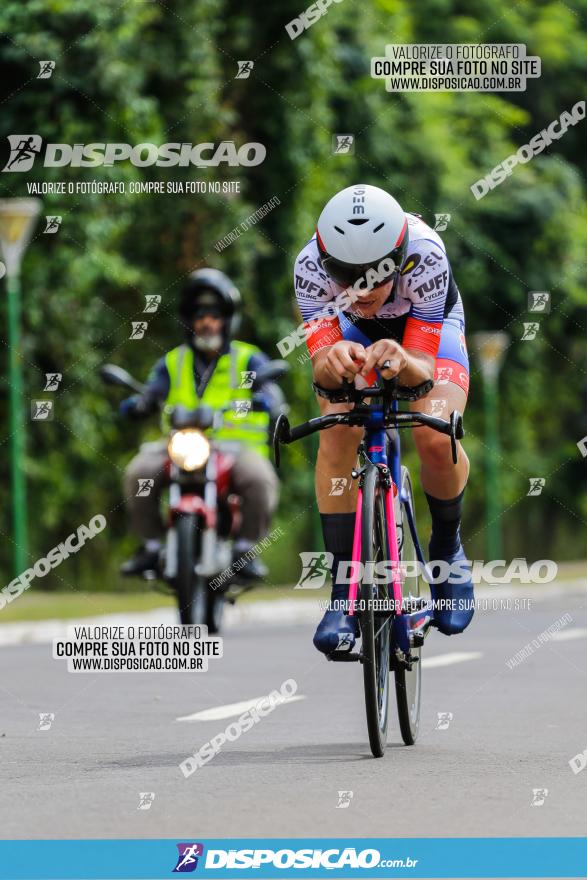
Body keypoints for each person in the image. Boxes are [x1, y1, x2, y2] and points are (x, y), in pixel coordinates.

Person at [293, 183, 474, 654]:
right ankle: (343, 590)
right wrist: (331, 357)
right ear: (326, 262)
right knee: (335, 432)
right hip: (349, 332)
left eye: (375, 275)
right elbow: (320, 368)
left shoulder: (426, 254)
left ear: (398, 257)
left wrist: (404, 358)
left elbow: (422, 371)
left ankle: (448, 550)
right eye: (347, 277)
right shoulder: (309, 267)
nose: (363, 289)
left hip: (425, 328)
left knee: (436, 434)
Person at [120, 268, 281, 579]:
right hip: (181, 445)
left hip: (236, 449)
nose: (206, 321)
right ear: (189, 320)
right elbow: (152, 391)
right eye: (198, 314)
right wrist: (140, 404)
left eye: (214, 313)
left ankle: (245, 549)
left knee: (261, 480)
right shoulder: (173, 361)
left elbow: (269, 389)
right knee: (137, 472)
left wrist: (269, 400)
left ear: (227, 318)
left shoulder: (248, 359)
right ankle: (152, 546)